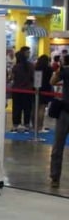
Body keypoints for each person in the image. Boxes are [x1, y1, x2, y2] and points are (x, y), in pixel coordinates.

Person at [49, 59, 69, 187]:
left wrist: (59, 70)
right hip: (65, 111)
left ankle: (55, 177)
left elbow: (52, 81)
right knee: (58, 146)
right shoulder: (66, 72)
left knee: (58, 146)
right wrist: (59, 71)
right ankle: (55, 177)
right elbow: (53, 81)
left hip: (65, 112)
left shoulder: (65, 71)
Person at [10, 51, 34, 132]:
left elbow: (12, 78)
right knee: (27, 108)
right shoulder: (31, 66)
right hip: (28, 91)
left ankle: (16, 124)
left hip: (17, 90)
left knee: (17, 108)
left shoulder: (16, 67)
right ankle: (27, 124)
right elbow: (33, 77)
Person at [34, 54, 53, 132]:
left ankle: (35, 126)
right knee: (42, 109)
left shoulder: (36, 68)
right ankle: (40, 127)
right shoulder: (49, 69)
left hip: (36, 88)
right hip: (46, 89)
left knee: (36, 109)